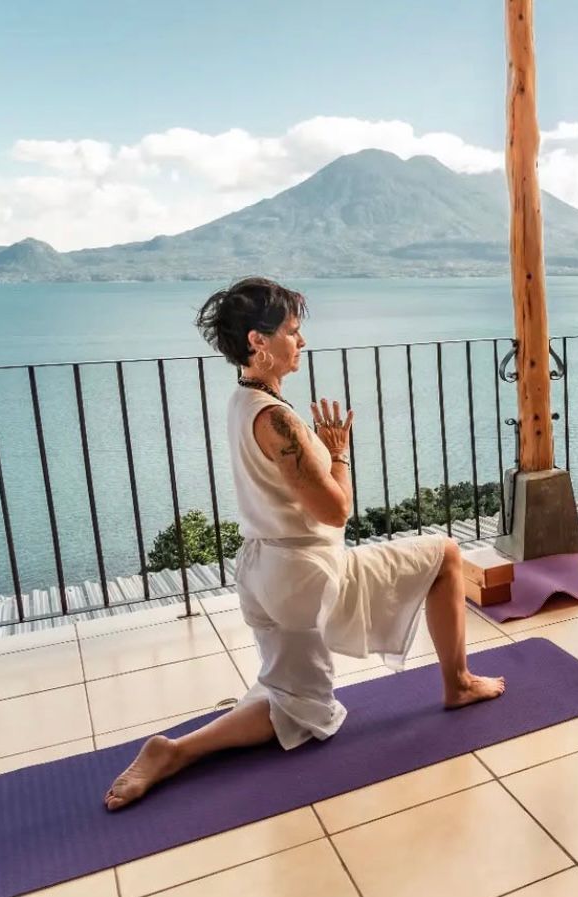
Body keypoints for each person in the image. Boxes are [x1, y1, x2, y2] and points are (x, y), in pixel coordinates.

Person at [105, 277, 504, 810]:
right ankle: (176, 751)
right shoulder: (278, 420)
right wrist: (339, 453)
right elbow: (336, 508)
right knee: (443, 560)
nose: (302, 342)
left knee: (287, 693)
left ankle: (180, 749)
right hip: (306, 577)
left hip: (261, 573)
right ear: (258, 342)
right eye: (293, 332)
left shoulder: (242, 400)